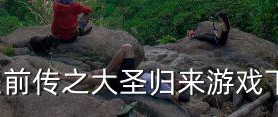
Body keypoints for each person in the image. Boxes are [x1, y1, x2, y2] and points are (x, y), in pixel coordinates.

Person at [51, 44, 189, 104]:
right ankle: (107, 70)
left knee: (95, 80)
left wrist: (180, 95)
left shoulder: (168, 92)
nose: (178, 79)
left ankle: (63, 76)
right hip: (131, 76)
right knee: (127, 48)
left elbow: (179, 97)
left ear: (178, 88)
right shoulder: (166, 85)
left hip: (129, 84)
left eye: (180, 81)